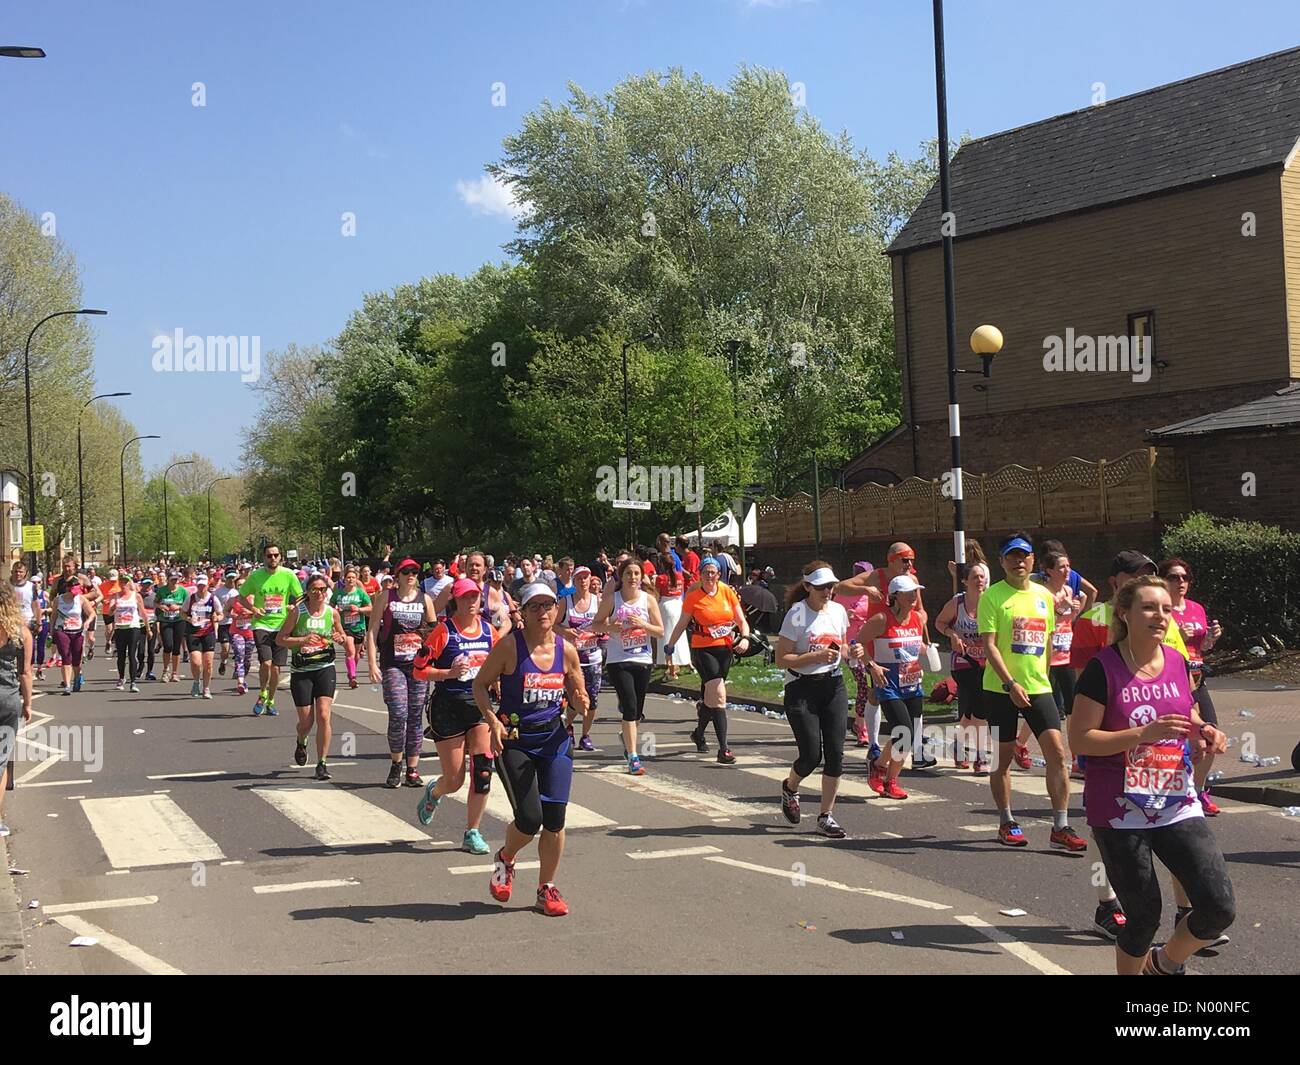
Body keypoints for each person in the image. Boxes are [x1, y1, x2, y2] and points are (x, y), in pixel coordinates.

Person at [1068, 575, 1235, 975]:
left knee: (1217, 907)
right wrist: (1142, 734)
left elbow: (1185, 712)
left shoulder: (1177, 661)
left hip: (1175, 799)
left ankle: (1162, 966)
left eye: (1164, 608)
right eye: (1148, 607)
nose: (1159, 615)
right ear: (1124, 613)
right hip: (1120, 808)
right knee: (1143, 919)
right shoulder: (1102, 668)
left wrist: (1204, 730)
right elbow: (1081, 739)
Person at [472, 582, 589, 917]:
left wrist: (580, 705)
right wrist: (492, 720)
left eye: (548, 605)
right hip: (515, 740)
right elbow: (480, 685)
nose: (543, 612)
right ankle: (506, 857)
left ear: (557, 609)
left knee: (554, 820)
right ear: (522, 613)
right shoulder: (510, 647)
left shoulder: (566, 650)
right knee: (530, 818)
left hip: (553, 740)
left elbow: (580, 698)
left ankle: (546, 888)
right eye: (534, 606)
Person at [978, 534, 1087, 851]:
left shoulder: (1043, 596)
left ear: (1032, 561)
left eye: (1023, 556)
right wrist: (1011, 683)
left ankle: (1061, 826)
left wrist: (1042, 678)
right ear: (1002, 562)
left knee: (1057, 754)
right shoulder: (993, 597)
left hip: (1039, 687)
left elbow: (1049, 641)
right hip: (1000, 689)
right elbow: (989, 647)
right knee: (1003, 760)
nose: (1018, 561)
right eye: (1011, 556)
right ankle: (1006, 821)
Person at [412, 577, 496, 853]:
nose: (471, 603)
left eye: (474, 597)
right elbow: (419, 669)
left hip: (479, 708)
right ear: (455, 602)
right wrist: (448, 673)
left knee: (483, 772)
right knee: (455, 780)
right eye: (464, 598)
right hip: (448, 707)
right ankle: (435, 791)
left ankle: (472, 831)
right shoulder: (443, 632)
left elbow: (500, 665)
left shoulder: (488, 631)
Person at [777, 562, 861, 837]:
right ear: (807, 587)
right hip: (802, 689)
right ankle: (790, 787)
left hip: (832, 686)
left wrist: (853, 652)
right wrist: (813, 657)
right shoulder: (797, 615)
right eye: (822, 586)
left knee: (836, 754)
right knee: (812, 755)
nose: (828, 591)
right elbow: (781, 659)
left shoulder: (838, 611)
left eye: (831, 586)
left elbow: (843, 647)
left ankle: (826, 816)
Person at [664, 556, 750, 765]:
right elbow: (682, 623)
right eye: (706, 573)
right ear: (700, 575)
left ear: (719, 574)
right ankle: (724, 749)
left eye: (713, 572)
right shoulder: (694, 597)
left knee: (711, 700)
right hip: (703, 650)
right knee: (720, 695)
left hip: (725, 648)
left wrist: (745, 637)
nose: (710, 576)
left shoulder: (727, 592)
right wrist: (670, 645)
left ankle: (698, 733)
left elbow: (741, 620)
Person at [1159, 558, 1223, 816]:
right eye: (1174, 577)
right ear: (1164, 580)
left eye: (1185, 577)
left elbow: (1202, 647)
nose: (1181, 582)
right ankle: (1168, 790)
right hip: (1172, 681)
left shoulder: (1196, 608)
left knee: (1210, 732)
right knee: (1174, 738)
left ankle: (1198, 790)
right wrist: (1178, 639)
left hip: (1196, 678)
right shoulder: (1161, 609)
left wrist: (1210, 639)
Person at [367, 557, 437, 788]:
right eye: (406, 571)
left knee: (415, 716)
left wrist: (433, 661)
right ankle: (397, 763)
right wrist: (372, 663)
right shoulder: (387, 597)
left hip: (418, 667)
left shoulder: (425, 600)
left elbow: (434, 633)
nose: (411, 575)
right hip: (393, 663)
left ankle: (413, 769)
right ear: (397, 575)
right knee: (398, 713)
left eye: (415, 571)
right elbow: (373, 629)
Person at [591, 557, 664, 775]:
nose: (632, 578)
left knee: (637, 712)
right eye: (628, 574)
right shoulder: (612, 599)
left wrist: (643, 624)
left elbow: (660, 631)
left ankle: (627, 735)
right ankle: (633, 757)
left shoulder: (648, 600)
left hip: (642, 659)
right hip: (618, 660)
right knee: (630, 707)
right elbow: (595, 625)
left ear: (642, 577)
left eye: (636, 574)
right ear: (621, 578)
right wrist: (611, 627)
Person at [858, 574, 927, 799]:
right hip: (888, 684)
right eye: (909, 593)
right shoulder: (881, 619)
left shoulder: (917, 618)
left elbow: (916, 645)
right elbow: (857, 643)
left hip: (913, 684)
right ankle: (883, 772)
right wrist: (872, 666)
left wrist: (926, 653)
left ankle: (885, 775)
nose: (914, 597)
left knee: (909, 735)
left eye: (915, 592)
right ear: (895, 596)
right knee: (903, 731)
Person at [279, 572, 345, 781]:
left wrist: (339, 637)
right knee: (306, 723)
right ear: (307, 592)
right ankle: (301, 740)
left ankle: (322, 763)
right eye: (315, 589)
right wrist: (302, 639)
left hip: (325, 667)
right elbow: (281, 639)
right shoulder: (298, 612)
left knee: (324, 715)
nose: (319, 593)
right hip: (302, 671)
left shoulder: (332, 613)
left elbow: (341, 635)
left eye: (323, 589)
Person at [933, 562, 991, 772]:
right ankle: (981, 756)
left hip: (986, 662)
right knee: (981, 707)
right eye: (975, 577)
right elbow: (939, 623)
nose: (980, 580)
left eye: (982, 576)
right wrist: (953, 635)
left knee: (973, 709)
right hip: (963, 663)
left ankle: (958, 743)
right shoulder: (957, 603)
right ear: (965, 581)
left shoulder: (991, 601)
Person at [235, 544, 304, 716]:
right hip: (262, 624)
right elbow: (241, 596)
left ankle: (271, 700)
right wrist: (254, 609)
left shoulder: (288, 575)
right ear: (264, 557)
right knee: (266, 662)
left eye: (275, 555)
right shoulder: (256, 576)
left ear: (280, 557)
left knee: (276, 668)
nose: (272, 558)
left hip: (282, 625)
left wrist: (292, 606)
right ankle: (262, 693)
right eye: (269, 555)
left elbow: (301, 597)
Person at [833, 562, 881, 755]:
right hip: (851, 646)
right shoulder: (844, 595)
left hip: (871, 645)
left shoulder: (875, 594)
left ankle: (861, 722)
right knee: (863, 681)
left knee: (872, 685)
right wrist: (848, 615)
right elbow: (834, 615)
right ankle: (861, 726)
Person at [0, 583, 35, 838]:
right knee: (1, 762)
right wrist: (28, 703)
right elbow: (25, 673)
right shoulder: (21, 632)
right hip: (8, 700)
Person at [556, 567, 601, 751]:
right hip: (571, 658)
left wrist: (600, 630)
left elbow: (603, 624)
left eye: (586, 577)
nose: (583, 581)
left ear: (590, 580)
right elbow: (553, 624)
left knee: (593, 699)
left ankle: (585, 735)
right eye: (579, 578)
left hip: (592, 656)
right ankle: (568, 725)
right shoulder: (566, 602)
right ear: (574, 582)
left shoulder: (597, 601)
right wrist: (566, 631)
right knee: (574, 698)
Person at [51, 575, 93, 695]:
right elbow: (53, 616)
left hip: (77, 631)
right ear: (68, 589)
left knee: (76, 658)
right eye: (74, 590)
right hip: (62, 630)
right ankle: (67, 685)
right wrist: (51, 631)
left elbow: (92, 613)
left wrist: (87, 622)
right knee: (65, 656)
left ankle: (77, 677)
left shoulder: (81, 599)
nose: (76, 593)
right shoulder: (58, 600)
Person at [332, 567, 372, 690]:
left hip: (359, 626)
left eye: (353, 577)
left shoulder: (361, 593)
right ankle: (353, 677)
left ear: (356, 579)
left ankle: (351, 671)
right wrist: (336, 611)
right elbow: (330, 607)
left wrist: (359, 609)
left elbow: (370, 608)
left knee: (356, 655)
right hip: (344, 628)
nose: (350, 580)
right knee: (350, 651)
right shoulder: (338, 593)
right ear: (344, 579)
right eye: (348, 577)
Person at [184, 573, 223, 699]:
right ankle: (196, 681)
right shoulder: (191, 598)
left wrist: (217, 617)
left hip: (208, 633)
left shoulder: (213, 598)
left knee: (208, 663)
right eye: (199, 585)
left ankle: (206, 688)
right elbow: (182, 612)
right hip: (193, 633)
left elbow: (221, 614)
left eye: (203, 585)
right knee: (196, 662)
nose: (201, 587)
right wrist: (189, 618)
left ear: (207, 585)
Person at [654, 551, 688, 681]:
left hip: (665, 606)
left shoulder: (661, 578)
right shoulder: (680, 576)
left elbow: (657, 596)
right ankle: (680, 663)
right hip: (678, 605)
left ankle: (671, 667)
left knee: (667, 637)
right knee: (679, 636)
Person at [110, 574, 146, 693]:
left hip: (133, 627)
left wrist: (148, 628)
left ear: (129, 583)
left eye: (126, 582)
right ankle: (121, 678)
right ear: (119, 583)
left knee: (132, 654)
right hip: (120, 628)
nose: (124, 584)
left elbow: (143, 612)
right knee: (121, 655)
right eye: (121, 582)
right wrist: (113, 607)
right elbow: (110, 613)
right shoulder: (115, 596)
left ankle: (133, 682)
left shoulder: (136, 596)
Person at [156, 570, 190, 683]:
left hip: (179, 620)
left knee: (176, 647)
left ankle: (175, 673)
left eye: (176, 579)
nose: (175, 581)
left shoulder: (183, 591)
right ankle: (165, 671)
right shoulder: (162, 590)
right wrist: (161, 606)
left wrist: (178, 607)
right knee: (168, 646)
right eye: (172, 579)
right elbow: (155, 602)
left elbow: (188, 606)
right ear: (168, 579)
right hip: (165, 620)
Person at [213, 570, 239, 677]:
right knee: (225, 648)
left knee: (238, 647)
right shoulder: (218, 592)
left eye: (233, 578)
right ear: (225, 578)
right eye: (229, 578)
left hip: (236, 623)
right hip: (223, 623)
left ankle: (238, 670)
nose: (231, 580)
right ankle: (223, 662)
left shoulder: (237, 592)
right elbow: (214, 607)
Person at [739, 568, 779, 635]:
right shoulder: (749, 585)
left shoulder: (761, 584)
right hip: (751, 602)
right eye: (752, 575)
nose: (752, 577)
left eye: (754, 575)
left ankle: (765, 628)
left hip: (758, 603)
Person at [136, 576, 159, 681]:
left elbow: (158, 611)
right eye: (145, 584)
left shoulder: (155, 596)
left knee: (151, 650)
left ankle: (149, 671)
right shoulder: (137, 596)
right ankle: (140, 667)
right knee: (140, 650)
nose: (147, 586)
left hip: (152, 624)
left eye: (149, 584)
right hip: (140, 625)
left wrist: (157, 624)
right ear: (141, 584)